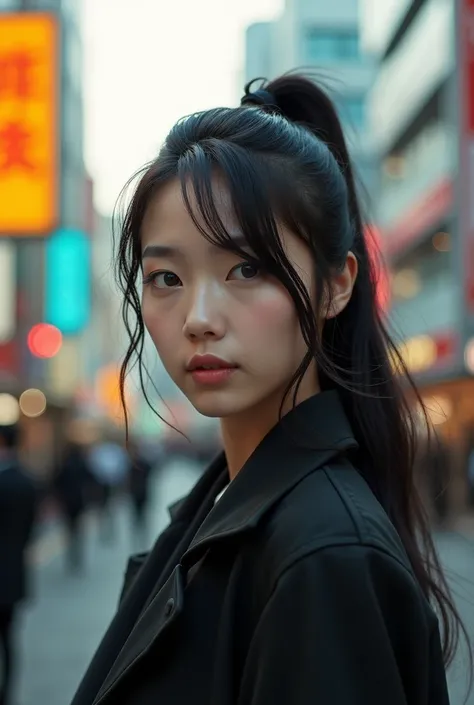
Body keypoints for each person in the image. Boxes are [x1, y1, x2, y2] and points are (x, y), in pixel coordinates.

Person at [70, 75, 462, 705]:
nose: (198, 316)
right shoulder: (237, 504)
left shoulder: (322, 555)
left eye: (246, 268)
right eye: (165, 277)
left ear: (336, 284)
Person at [0, 424, 37, 705]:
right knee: (8, 639)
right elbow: (30, 529)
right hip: (13, 574)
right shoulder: (26, 480)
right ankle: (7, 692)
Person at [54, 440, 92, 573]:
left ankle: (70, 556)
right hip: (79, 500)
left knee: (69, 529)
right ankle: (77, 556)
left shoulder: (65, 465)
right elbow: (91, 479)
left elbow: (56, 482)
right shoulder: (82, 464)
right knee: (78, 529)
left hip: (67, 501)